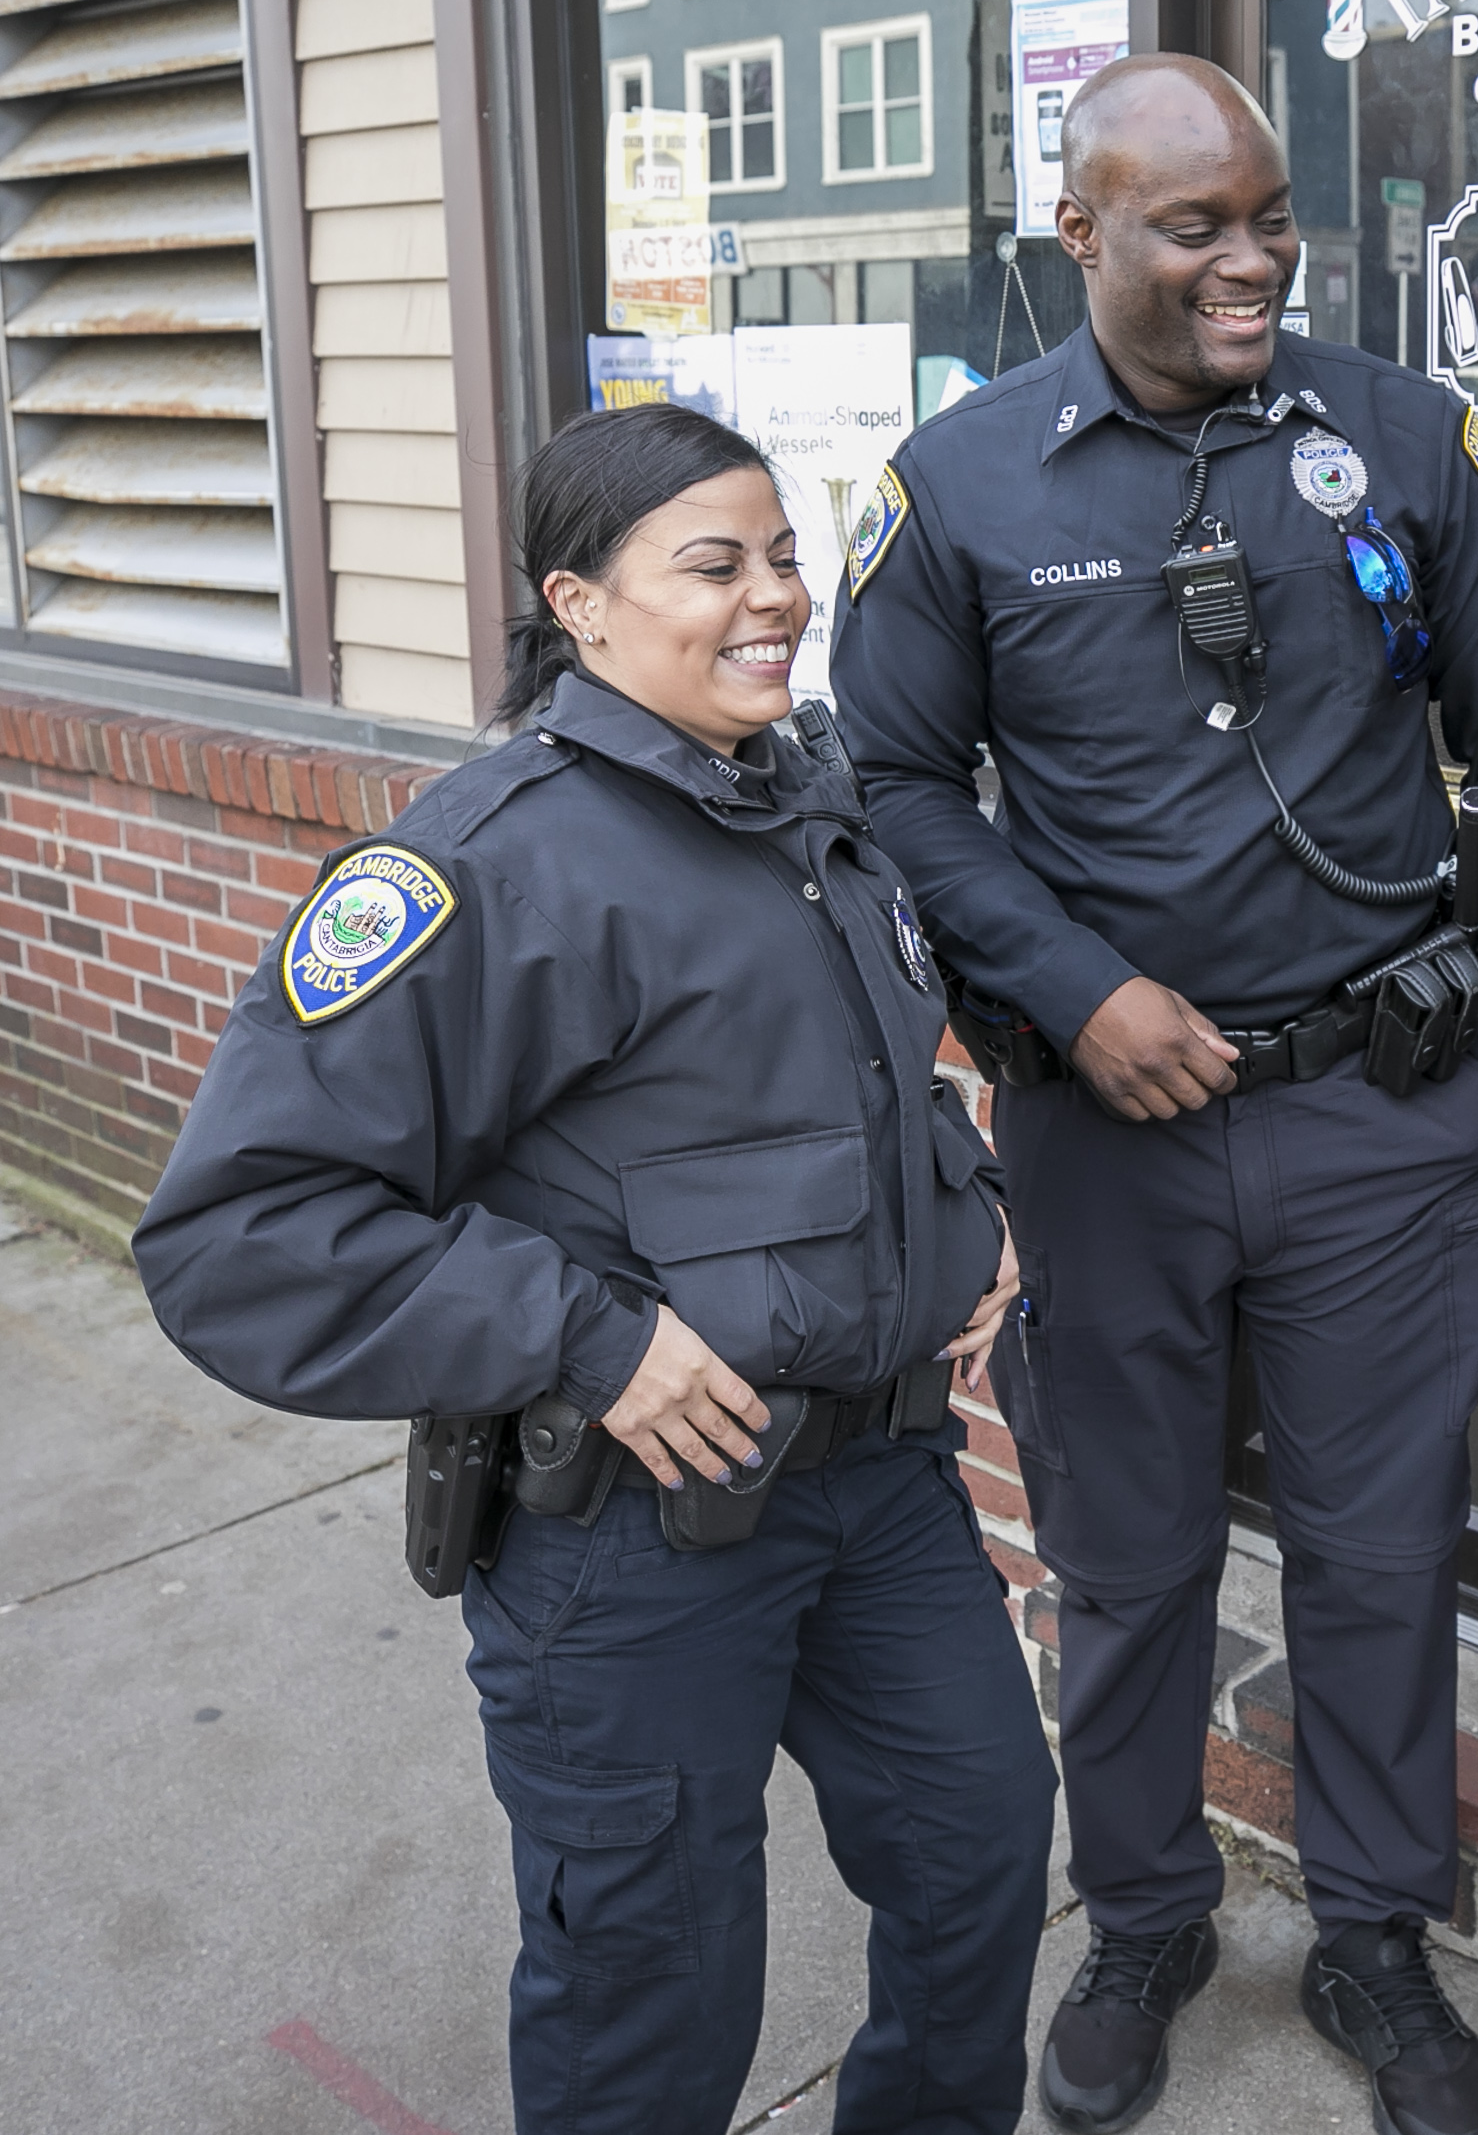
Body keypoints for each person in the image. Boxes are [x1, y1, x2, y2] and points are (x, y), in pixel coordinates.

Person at [132, 406, 1056, 2135]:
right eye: (713, 565)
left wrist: (970, 1208)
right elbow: (241, 1233)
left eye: (783, 555)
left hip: (881, 1480)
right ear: (579, 602)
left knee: (982, 1854)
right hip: (638, 1538)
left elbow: (851, 1085)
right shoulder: (484, 864)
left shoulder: (813, 801)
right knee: (657, 1996)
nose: (772, 597)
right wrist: (590, 1337)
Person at [831, 53, 1478, 2135]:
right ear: (1082, 233)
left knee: (1380, 1552)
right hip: (1110, 1139)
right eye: (1196, 226)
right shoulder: (963, 483)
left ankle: (1374, 1930)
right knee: (1127, 1551)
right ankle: (1146, 1913)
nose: (1253, 258)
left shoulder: (1404, 437)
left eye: (1270, 216)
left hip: (1386, 1120)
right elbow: (892, 778)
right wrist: (1071, 991)